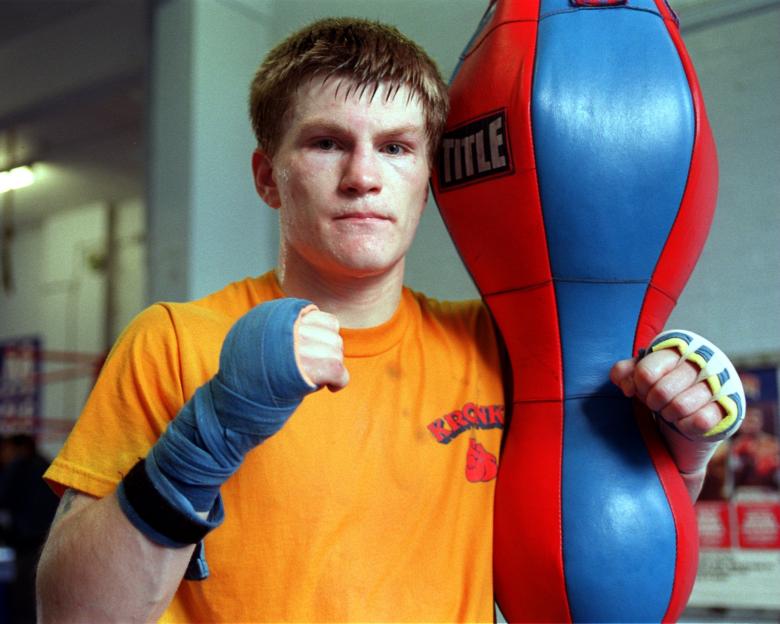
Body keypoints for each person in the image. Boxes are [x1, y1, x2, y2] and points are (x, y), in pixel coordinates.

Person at [36, 17, 735, 623]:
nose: (363, 176)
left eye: (396, 147)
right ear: (267, 177)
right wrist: (206, 437)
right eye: (327, 143)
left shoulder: (506, 350)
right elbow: (75, 615)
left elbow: (599, 550)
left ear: (430, 181)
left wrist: (681, 445)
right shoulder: (174, 341)